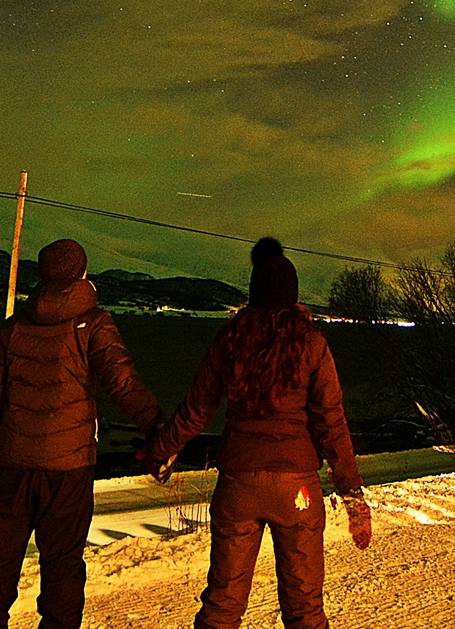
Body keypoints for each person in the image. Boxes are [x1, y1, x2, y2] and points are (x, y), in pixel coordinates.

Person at [145, 238, 372, 629]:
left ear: (253, 294)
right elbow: (331, 425)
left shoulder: (231, 339)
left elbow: (196, 410)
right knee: (305, 609)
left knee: (223, 604)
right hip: (296, 489)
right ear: (294, 296)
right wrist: (352, 495)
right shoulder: (312, 344)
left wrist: (160, 450)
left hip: (238, 485)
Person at [0, 238, 163, 629]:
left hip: (13, 465)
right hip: (69, 468)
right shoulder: (94, 324)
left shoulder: (12, 328)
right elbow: (122, 382)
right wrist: (158, 427)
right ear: (82, 274)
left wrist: (6, 444)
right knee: (62, 565)